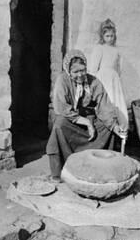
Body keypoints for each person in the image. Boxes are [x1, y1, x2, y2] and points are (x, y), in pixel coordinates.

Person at [46, 49, 128, 179]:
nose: (80, 75)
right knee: (59, 125)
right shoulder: (62, 80)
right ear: (68, 71)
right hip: (71, 119)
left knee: (107, 128)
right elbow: (61, 107)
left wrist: (115, 126)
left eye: (83, 70)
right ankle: (63, 170)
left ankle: (104, 167)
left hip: (89, 118)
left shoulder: (93, 82)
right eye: (76, 72)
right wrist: (85, 122)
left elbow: (104, 105)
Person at [88, 18, 129, 128]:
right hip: (103, 79)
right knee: (106, 100)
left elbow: (119, 68)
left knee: (116, 101)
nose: (110, 38)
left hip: (113, 80)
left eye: (112, 36)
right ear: (102, 36)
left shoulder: (116, 51)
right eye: (107, 36)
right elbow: (93, 69)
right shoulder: (99, 48)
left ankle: (120, 126)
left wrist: (116, 77)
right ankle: (105, 124)